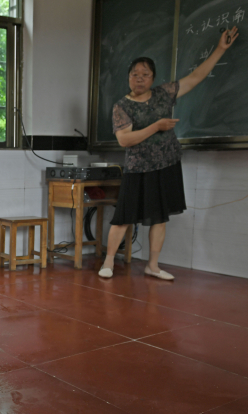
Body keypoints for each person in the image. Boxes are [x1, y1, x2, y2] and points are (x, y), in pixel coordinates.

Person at [98, 27, 239, 281]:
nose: (139, 78)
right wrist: (156, 126)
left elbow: (196, 77)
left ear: (153, 78)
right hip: (138, 167)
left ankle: (153, 265)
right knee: (124, 216)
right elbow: (125, 139)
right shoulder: (123, 105)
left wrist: (220, 49)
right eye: (134, 74)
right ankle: (108, 261)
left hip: (167, 164)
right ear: (128, 77)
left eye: (145, 74)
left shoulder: (165, 94)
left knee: (160, 217)